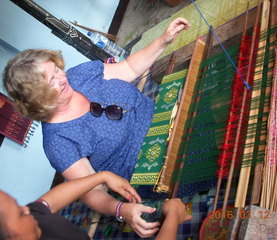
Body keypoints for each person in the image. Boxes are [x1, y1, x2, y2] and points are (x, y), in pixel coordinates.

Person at [3, 17, 190, 238]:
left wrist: (163, 40)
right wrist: (121, 209)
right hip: (157, 168)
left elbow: (129, 67)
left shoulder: (79, 76)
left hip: (171, 118)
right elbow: (92, 192)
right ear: (36, 100)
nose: (61, 80)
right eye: (50, 83)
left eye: (56, 70)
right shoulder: (58, 142)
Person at [0, 171, 192, 240]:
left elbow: (48, 201)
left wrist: (103, 176)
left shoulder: (33, 216)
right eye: (19, 213)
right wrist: (173, 214)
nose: (26, 209)